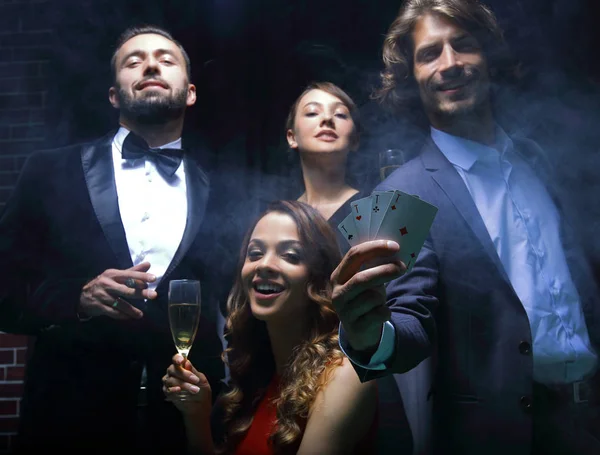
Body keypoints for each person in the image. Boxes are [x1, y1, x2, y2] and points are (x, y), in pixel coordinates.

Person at [330, 1, 600, 455]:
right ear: (411, 79)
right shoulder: (396, 199)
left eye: (464, 45)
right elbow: (409, 324)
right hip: (502, 436)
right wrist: (369, 333)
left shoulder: (538, 159)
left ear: (488, 56)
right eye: (429, 53)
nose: (450, 63)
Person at [0, 25, 226, 454]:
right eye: (133, 60)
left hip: (180, 428)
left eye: (165, 58)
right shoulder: (48, 171)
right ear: (114, 95)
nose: (151, 64)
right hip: (68, 423)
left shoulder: (221, 190)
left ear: (191, 92)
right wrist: (78, 299)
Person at [162, 200, 378, 454]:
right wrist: (197, 414)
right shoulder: (257, 373)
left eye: (290, 256)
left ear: (318, 278)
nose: (264, 264)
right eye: (255, 253)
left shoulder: (342, 376)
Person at [285, 82, 368, 251]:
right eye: (312, 112)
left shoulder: (374, 209)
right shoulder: (280, 217)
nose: (327, 119)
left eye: (340, 114)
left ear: (355, 140)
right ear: (292, 137)